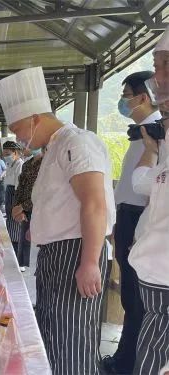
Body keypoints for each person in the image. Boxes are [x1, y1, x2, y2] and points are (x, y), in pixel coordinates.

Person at [0, 66, 115, 374]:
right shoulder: (53, 148)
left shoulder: (78, 142)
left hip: (75, 251)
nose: (18, 137)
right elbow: (57, 202)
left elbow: (94, 204)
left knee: (71, 337)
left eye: (18, 129)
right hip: (55, 253)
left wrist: (89, 262)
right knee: (51, 330)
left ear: (35, 118)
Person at [100, 70, 161, 375]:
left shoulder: (157, 135)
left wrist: (141, 230)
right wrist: (116, 226)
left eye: (125, 96)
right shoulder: (142, 133)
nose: (123, 102)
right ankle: (123, 358)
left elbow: (154, 190)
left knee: (137, 300)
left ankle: (127, 364)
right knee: (129, 296)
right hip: (128, 218)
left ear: (142, 97)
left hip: (141, 221)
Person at [127, 28, 169, 375]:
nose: (159, 77)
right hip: (150, 252)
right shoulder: (153, 133)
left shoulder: (158, 131)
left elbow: (144, 183)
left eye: (164, 66)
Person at [12, 148, 44, 272]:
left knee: (39, 239)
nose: (25, 147)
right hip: (23, 205)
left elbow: (42, 192)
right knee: (24, 236)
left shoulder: (46, 163)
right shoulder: (27, 164)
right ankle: (22, 263)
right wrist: (17, 207)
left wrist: (23, 206)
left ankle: (40, 267)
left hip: (38, 207)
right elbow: (20, 187)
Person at [2, 141, 24, 253]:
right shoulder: (10, 164)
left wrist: (17, 204)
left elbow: (19, 188)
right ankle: (12, 250)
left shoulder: (20, 164)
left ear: (15, 153)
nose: (6, 157)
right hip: (9, 192)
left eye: (7, 154)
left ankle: (16, 253)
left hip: (15, 195)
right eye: (4, 154)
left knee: (15, 225)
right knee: (10, 224)